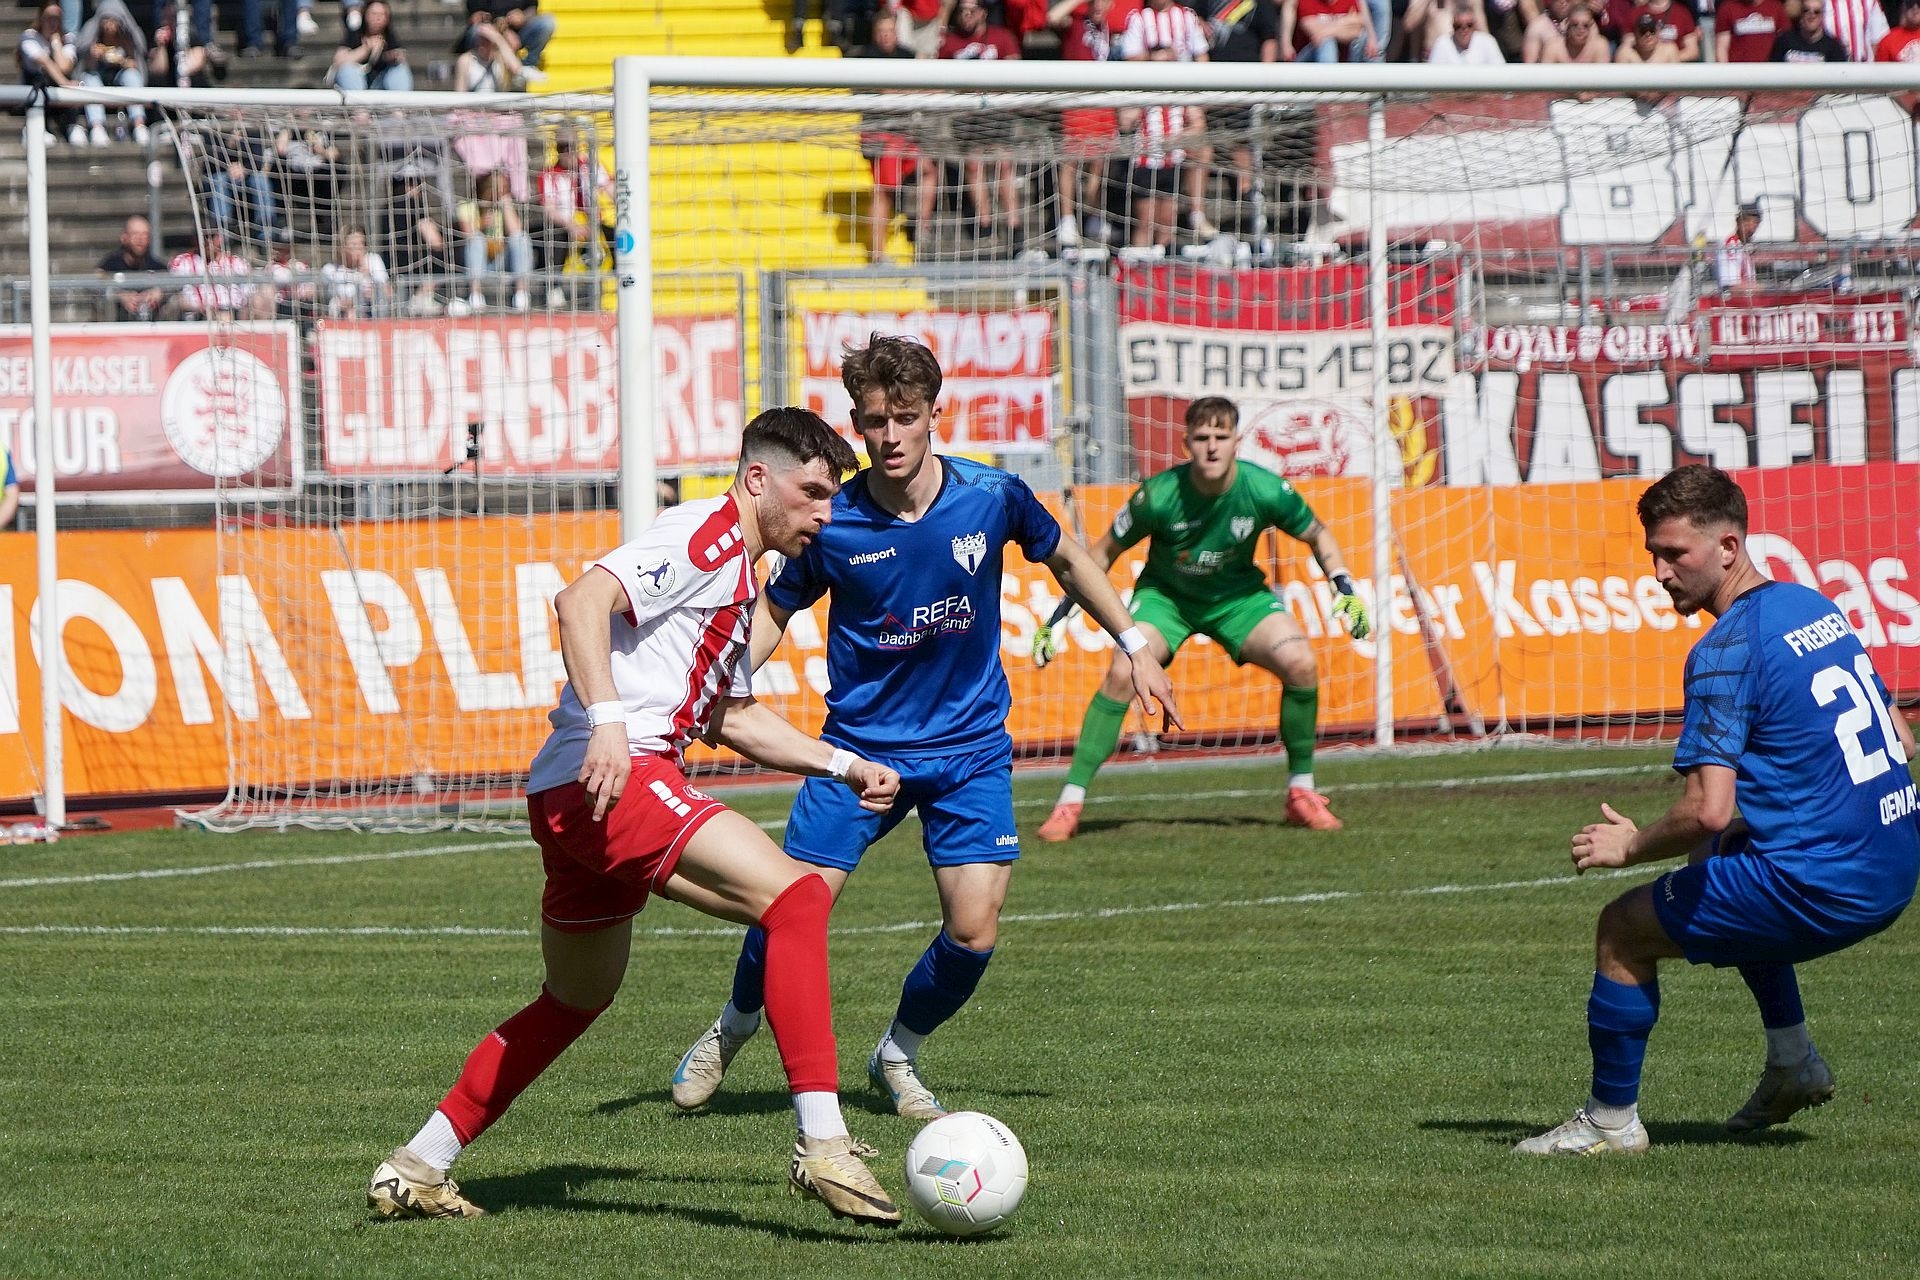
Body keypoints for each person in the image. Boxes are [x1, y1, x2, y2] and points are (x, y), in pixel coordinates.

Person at [367, 407, 906, 1227]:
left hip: (577, 791)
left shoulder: (740, 573)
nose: (826, 514)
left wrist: (842, 763)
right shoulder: (705, 536)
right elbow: (581, 600)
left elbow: (729, 716)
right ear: (758, 478)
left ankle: (418, 1165)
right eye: (813, 493)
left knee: (576, 997)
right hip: (616, 777)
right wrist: (610, 723)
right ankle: (823, 1142)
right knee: (798, 897)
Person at [665, 334, 1180, 1122]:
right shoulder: (832, 522)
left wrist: (1134, 642)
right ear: (857, 424)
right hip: (858, 752)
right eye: (875, 422)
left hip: (969, 750)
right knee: (790, 903)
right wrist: (720, 683)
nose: (891, 436)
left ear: (936, 414)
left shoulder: (991, 495)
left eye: (905, 418)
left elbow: (1070, 559)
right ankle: (734, 1025)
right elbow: (773, 609)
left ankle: (897, 1054)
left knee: (973, 932)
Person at [1514, 464, 1918, 1156]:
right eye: (1654, 554)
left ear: (1728, 547)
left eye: (1676, 554)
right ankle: (1792, 1060)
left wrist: (1629, 845)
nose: (1660, 572)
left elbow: (1706, 808)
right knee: (1719, 857)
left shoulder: (1724, 650)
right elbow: (1902, 741)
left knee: (1622, 930)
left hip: (1826, 884)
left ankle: (1610, 1122)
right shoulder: (1811, 606)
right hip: (1898, 862)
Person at [1034, 395, 1371, 842]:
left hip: (1239, 600)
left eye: (1221, 436)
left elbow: (1318, 533)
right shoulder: (1158, 495)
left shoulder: (1265, 489)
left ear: (1237, 441)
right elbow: (1098, 557)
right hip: (1166, 600)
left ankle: (1301, 793)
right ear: (1186, 443)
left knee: (1301, 663)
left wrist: (1343, 585)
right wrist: (1058, 618)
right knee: (1121, 671)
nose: (1212, 447)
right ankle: (1069, 803)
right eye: (1202, 437)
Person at [455, 169, 532, 313]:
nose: (501, 192)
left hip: (501, 260)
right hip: (478, 262)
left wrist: (506, 204)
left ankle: (521, 295)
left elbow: (516, 230)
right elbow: (467, 233)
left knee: (521, 238)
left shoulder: (505, 206)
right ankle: (476, 295)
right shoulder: (467, 205)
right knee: (476, 239)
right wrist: (481, 223)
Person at [75, 0, 149, 146]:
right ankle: (97, 126)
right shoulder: (93, 37)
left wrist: (123, 61)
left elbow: (136, 62)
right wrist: (92, 56)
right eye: (106, 20)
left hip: (120, 76)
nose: (109, 25)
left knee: (132, 76)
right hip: (98, 76)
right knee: (90, 78)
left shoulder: (126, 37)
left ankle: (139, 124)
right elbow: (84, 67)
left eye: (113, 20)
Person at [98, 214, 167, 322]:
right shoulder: (110, 264)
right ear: (124, 237)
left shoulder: (158, 267)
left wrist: (159, 292)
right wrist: (119, 295)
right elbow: (95, 284)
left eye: (145, 235)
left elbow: (174, 285)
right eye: (135, 234)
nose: (140, 239)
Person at [330, 0, 411, 91]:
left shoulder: (390, 36)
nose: (378, 18)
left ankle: (401, 98)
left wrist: (393, 57)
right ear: (365, 15)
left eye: (382, 14)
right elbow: (339, 61)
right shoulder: (355, 33)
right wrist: (366, 49)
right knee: (348, 70)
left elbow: (400, 59)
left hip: (380, 83)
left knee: (399, 69)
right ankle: (357, 99)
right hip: (356, 82)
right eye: (374, 14)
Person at [324, 226, 390, 317]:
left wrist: (368, 273)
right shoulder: (331, 269)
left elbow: (388, 292)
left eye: (362, 243)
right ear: (342, 246)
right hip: (342, 314)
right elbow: (330, 299)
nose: (359, 248)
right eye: (354, 244)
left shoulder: (373, 260)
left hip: (373, 312)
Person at [1771, 0, 1848, 59]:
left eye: (1816, 12)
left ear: (1822, 15)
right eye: (1806, 10)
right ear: (1801, 13)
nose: (1811, 15)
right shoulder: (1784, 41)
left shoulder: (1833, 47)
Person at [1716, 199, 1761, 296]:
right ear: (1738, 222)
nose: (1751, 227)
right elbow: (1731, 287)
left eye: (1755, 223)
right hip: (1735, 300)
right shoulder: (1731, 245)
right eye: (1747, 222)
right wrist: (1766, 288)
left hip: (1748, 298)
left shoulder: (1746, 246)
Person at [1715, 0, 1786, 60]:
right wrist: (1724, 70)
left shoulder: (1775, 6)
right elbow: (1722, 48)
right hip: (1739, 67)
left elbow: (1785, 40)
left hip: (1770, 67)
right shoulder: (1728, 8)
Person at [1433, 2, 1505, 56]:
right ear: (1453, 26)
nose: (1464, 30)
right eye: (1458, 26)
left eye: (1469, 25)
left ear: (1475, 25)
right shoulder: (1442, 43)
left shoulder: (1487, 42)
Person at [1542, 0, 1608, 58]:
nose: (1580, 30)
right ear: (1566, 24)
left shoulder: (1599, 45)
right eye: (1575, 25)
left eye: (1585, 26)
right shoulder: (1553, 47)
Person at [1615, 9, 1682, 59]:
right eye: (1643, 31)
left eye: (1652, 30)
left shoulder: (1669, 51)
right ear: (1635, 34)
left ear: (1658, 32)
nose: (1648, 35)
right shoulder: (1625, 53)